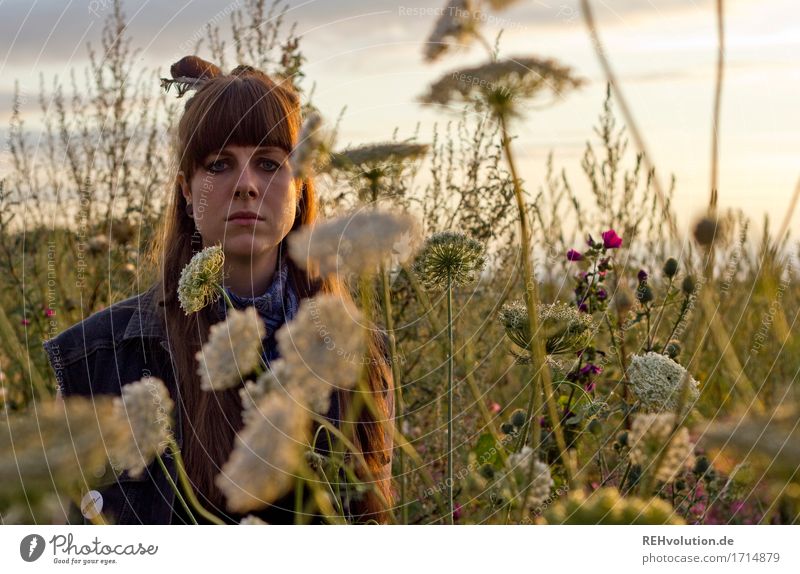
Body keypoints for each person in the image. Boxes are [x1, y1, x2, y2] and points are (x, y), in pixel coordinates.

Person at [42, 56, 395, 525]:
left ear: (301, 186)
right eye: (220, 164)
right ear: (186, 190)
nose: (246, 185)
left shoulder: (360, 351)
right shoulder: (97, 358)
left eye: (269, 164)